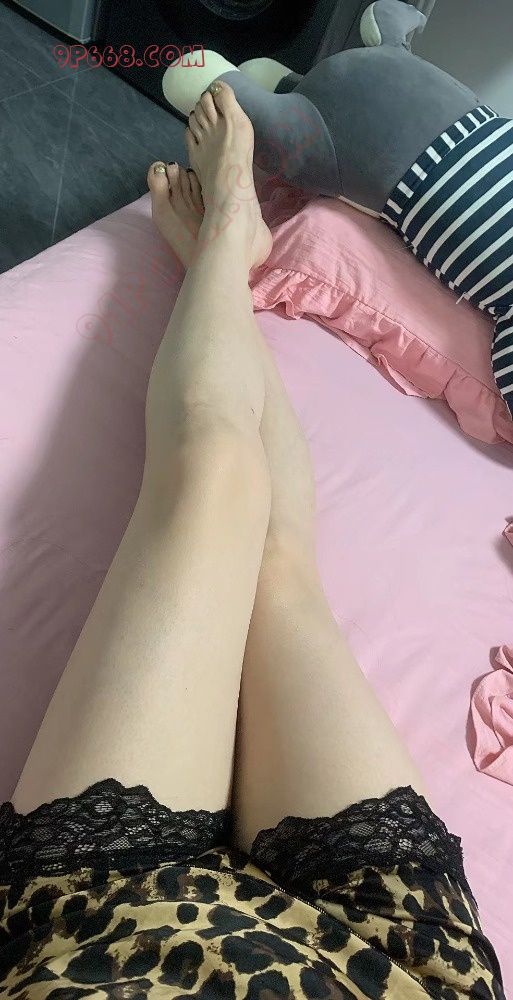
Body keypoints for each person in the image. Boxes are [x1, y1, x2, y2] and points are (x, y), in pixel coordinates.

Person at [0, 82, 504, 999]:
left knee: (216, 478)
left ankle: (222, 257)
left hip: (114, 946)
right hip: (405, 968)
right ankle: (228, 246)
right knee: (266, 552)